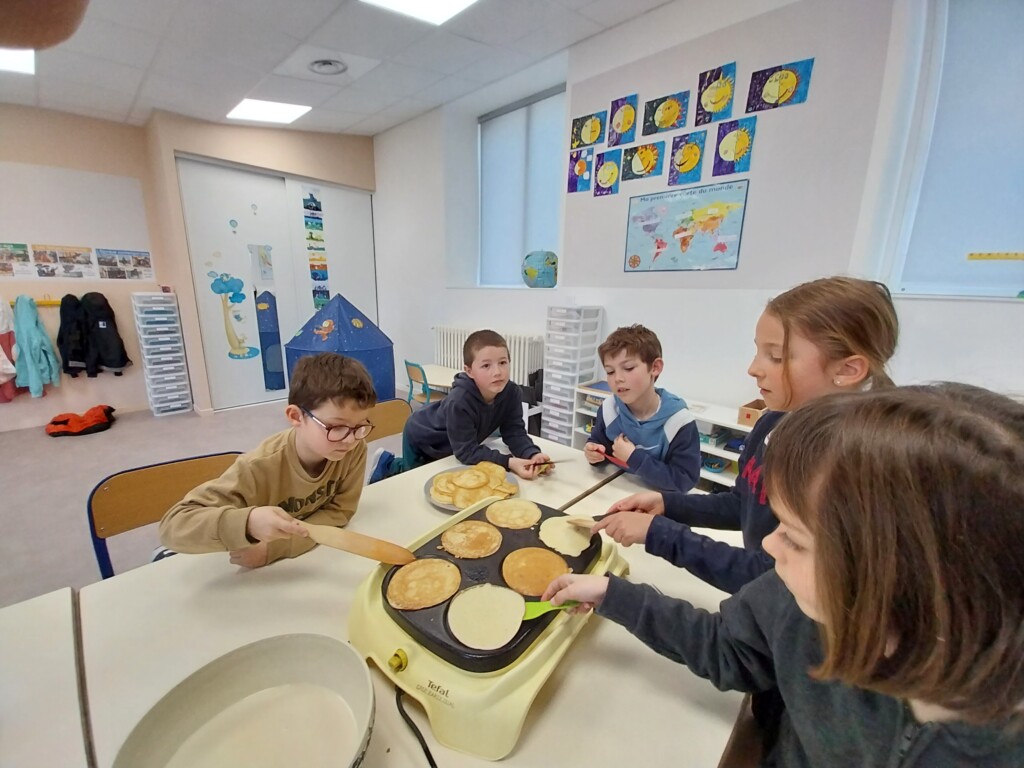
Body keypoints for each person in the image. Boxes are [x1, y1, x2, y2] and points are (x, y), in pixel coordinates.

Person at [544, 385, 1024, 767]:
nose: (769, 544)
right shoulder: (796, 600)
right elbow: (729, 646)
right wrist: (613, 594)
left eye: (794, 537)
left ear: (900, 577)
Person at [596, 277, 899, 594]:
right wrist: (667, 504)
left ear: (848, 370)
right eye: (758, 352)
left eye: (777, 357)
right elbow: (741, 504)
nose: (753, 369)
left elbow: (774, 577)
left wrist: (662, 535)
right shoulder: (771, 424)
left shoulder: (844, 469)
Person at [158, 352, 377, 569]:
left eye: (360, 426)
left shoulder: (353, 450)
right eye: (336, 427)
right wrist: (248, 523)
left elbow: (340, 511)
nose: (351, 440)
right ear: (295, 417)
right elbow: (173, 526)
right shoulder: (258, 466)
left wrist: (276, 548)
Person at [369, 330, 550, 482]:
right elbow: (466, 452)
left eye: (503, 363)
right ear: (469, 371)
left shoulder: (512, 393)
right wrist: (509, 462)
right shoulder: (460, 400)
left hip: (454, 443)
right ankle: (387, 463)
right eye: (486, 365)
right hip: (422, 435)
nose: (497, 372)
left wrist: (531, 454)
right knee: (414, 477)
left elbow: (515, 433)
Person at [584, 324, 700, 493]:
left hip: (657, 503)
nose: (618, 379)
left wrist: (634, 457)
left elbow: (683, 481)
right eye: (610, 371)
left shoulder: (679, 422)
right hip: (614, 491)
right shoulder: (610, 409)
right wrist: (594, 452)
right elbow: (599, 444)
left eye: (629, 368)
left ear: (655, 367)